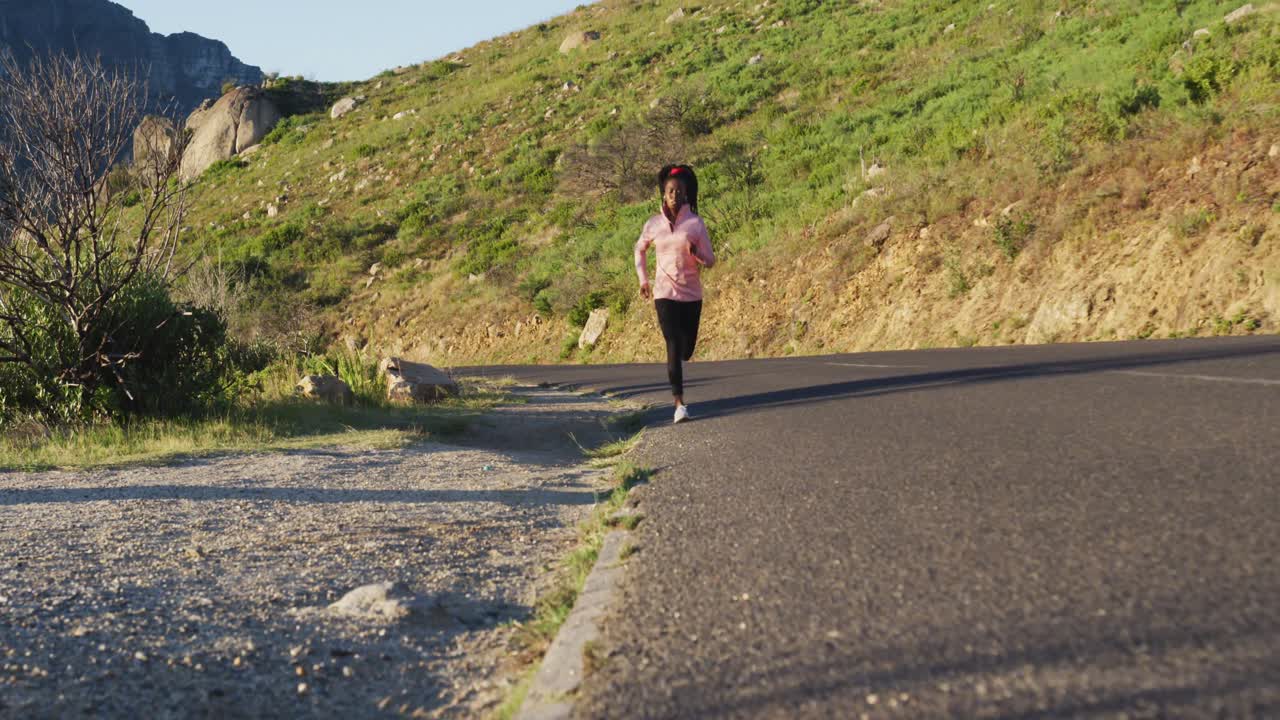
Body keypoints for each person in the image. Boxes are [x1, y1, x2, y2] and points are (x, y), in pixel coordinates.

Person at [634, 164, 715, 424]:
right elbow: (640, 250)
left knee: (686, 350)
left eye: (679, 191)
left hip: (691, 295)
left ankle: (682, 358)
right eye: (670, 191)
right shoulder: (654, 224)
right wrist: (643, 279)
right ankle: (679, 404)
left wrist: (696, 254)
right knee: (671, 343)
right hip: (664, 293)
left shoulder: (695, 223)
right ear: (663, 193)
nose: (674, 195)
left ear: (686, 194)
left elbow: (711, 260)